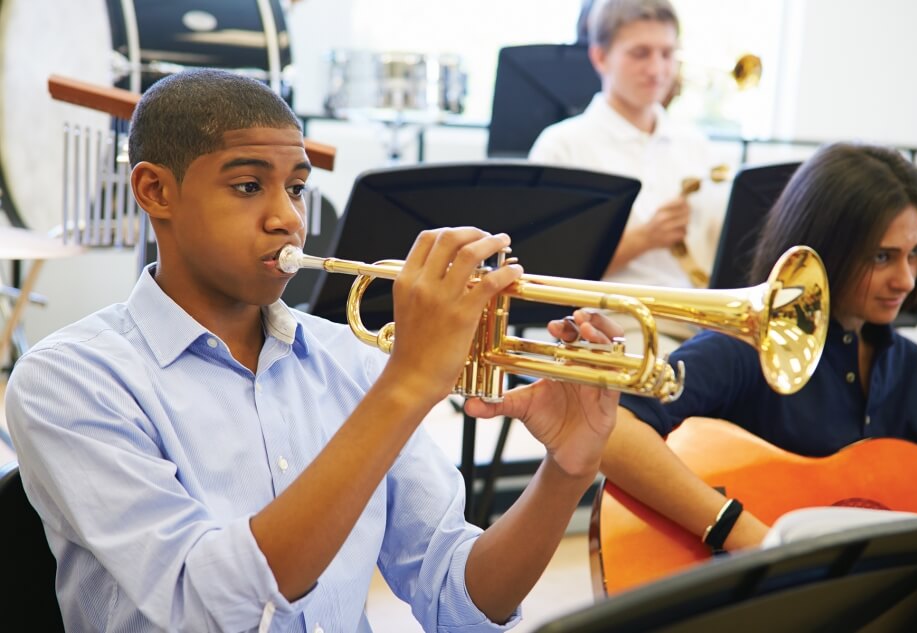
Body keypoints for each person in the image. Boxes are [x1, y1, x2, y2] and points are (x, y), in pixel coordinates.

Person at [5, 69, 619, 633]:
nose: (288, 220)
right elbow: (205, 608)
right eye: (248, 186)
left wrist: (564, 472)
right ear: (155, 191)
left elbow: (456, 596)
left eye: (297, 189)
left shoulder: (346, 358)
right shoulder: (70, 378)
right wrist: (405, 387)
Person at [562, 142, 917, 552]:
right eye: (882, 257)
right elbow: (610, 433)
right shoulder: (743, 350)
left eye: (916, 253)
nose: (906, 280)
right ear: (827, 249)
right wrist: (746, 534)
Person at [530, 0, 725, 352]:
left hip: (700, 322)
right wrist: (644, 238)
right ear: (600, 57)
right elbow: (548, 272)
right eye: (640, 53)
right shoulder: (562, 146)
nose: (658, 69)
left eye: (667, 54)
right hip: (613, 327)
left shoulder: (696, 145)